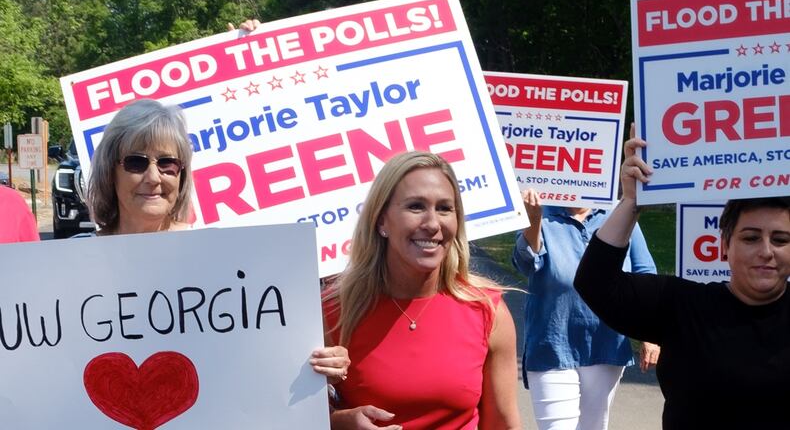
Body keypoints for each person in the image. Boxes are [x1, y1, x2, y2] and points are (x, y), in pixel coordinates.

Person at [86, 98, 349, 380]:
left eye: (168, 164)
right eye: (136, 163)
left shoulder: (221, 260)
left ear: (181, 174)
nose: (153, 177)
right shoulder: (73, 263)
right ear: (110, 172)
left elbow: (264, 359)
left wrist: (322, 366)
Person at [574, 124, 790, 428]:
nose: (766, 251)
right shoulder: (681, 306)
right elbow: (595, 283)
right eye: (751, 238)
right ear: (725, 245)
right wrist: (631, 202)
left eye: (780, 240)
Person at [323, 151, 522, 430]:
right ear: (381, 221)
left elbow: (503, 424)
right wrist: (338, 423)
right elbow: (284, 413)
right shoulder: (332, 311)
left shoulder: (488, 310)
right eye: (416, 207)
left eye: (444, 208)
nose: (432, 224)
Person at [512, 189, 660, 430]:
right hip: (552, 345)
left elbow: (645, 274)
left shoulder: (618, 212)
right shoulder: (540, 208)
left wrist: (650, 335)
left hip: (606, 344)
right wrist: (534, 220)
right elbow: (525, 262)